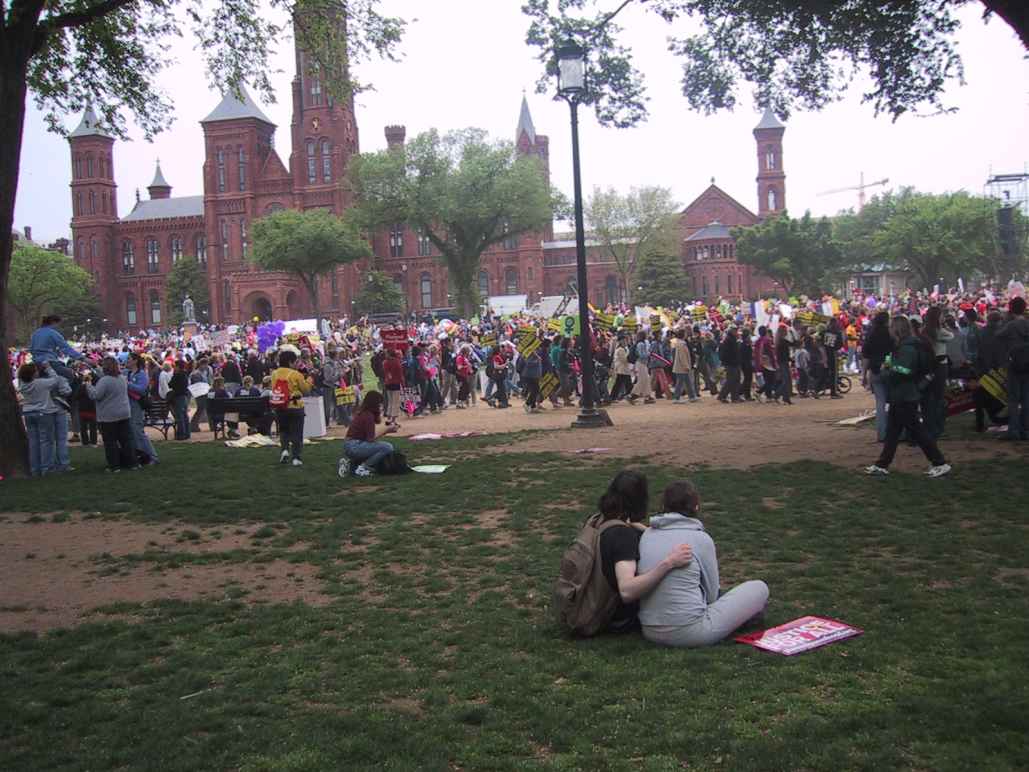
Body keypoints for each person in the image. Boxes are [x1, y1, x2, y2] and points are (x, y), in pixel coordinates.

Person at [638, 480, 769, 648]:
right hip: (690, 633)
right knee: (759, 587)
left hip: (649, 629)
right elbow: (712, 595)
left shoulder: (647, 535)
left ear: (664, 505)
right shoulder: (700, 539)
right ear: (696, 507)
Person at [594, 471, 694, 634]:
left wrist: (643, 529)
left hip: (594, 605)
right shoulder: (622, 536)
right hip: (616, 620)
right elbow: (627, 591)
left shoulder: (598, 521)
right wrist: (669, 563)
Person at [866, 315, 951, 478]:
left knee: (916, 432)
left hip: (905, 395)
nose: (889, 330)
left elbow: (905, 371)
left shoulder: (907, 348)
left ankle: (940, 462)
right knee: (893, 433)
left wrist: (887, 370)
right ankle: (882, 464)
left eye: (892, 327)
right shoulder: (905, 346)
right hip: (902, 395)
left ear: (897, 330)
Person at [86, 356, 139, 472]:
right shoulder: (122, 378)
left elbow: (96, 396)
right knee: (126, 440)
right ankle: (132, 463)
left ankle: (114, 466)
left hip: (109, 415)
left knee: (110, 442)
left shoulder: (105, 381)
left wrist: (88, 385)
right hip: (124, 412)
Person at [17, 362, 69, 476]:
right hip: (43, 412)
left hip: (28, 412)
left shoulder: (23, 385)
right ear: (33, 374)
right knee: (46, 441)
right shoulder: (40, 383)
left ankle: (35, 468)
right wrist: (48, 368)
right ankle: (47, 467)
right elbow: (56, 380)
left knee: (33, 442)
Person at [338, 390, 399, 478]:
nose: (381, 407)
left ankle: (350, 464)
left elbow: (369, 438)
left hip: (351, 445)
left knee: (378, 447)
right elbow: (371, 438)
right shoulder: (368, 415)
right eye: (380, 404)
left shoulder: (364, 413)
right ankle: (363, 468)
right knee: (387, 447)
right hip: (354, 446)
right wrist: (387, 430)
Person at [269, 350, 312, 466]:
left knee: (284, 431)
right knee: (297, 433)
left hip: (280, 406)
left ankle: (284, 450)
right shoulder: (295, 374)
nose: (296, 364)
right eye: (294, 362)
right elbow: (306, 390)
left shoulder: (274, 374)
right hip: (295, 406)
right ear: (290, 362)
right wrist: (309, 379)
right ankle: (296, 458)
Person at [997, 296, 1029, 441]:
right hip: (1027, 364)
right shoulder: (1027, 324)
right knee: (1027, 398)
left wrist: (1005, 320)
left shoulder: (1011, 325)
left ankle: (1014, 430)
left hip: (1014, 364)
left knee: (1013, 400)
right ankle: (1026, 429)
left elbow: (998, 335)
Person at [920, 306, 953, 441]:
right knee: (939, 397)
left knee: (927, 398)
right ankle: (938, 427)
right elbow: (952, 335)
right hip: (940, 366)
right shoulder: (940, 331)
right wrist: (944, 325)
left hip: (928, 366)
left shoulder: (924, 331)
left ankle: (928, 426)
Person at [861, 311, 894, 443]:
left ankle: (882, 434)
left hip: (874, 371)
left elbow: (866, 356)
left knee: (880, 403)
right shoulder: (891, 335)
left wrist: (863, 375)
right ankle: (896, 432)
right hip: (890, 369)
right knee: (894, 402)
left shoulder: (871, 335)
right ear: (887, 320)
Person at [126, 353, 160, 463]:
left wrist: (127, 384)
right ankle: (141, 456)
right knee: (133, 433)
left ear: (135, 361)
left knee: (139, 432)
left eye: (129, 359)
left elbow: (141, 389)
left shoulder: (141, 374)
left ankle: (153, 457)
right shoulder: (128, 373)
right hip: (128, 406)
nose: (127, 361)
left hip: (137, 406)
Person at [671, 329, 698, 403]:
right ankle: (676, 398)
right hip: (682, 367)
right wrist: (686, 366)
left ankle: (692, 396)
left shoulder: (679, 343)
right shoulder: (681, 344)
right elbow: (682, 357)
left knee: (687, 382)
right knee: (680, 383)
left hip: (681, 366)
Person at [717, 327, 742, 403]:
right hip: (731, 364)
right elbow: (727, 354)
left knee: (736, 380)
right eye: (736, 332)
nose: (737, 333)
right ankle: (722, 396)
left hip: (735, 363)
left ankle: (735, 397)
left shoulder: (732, 340)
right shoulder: (729, 341)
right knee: (731, 381)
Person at [753, 326, 777, 402]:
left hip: (761, 363)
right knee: (771, 380)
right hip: (768, 362)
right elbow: (770, 353)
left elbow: (755, 353)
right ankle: (763, 394)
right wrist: (774, 363)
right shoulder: (767, 340)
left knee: (767, 380)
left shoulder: (758, 341)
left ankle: (765, 395)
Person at [382, 347, 406, 426]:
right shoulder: (397, 362)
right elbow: (400, 374)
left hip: (388, 383)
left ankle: (388, 418)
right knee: (395, 402)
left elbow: (386, 373)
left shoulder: (385, 362)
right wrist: (403, 384)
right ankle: (393, 420)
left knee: (390, 401)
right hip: (395, 383)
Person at [169, 359, 191, 440]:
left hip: (178, 396)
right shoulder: (185, 374)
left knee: (180, 416)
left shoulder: (178, 375)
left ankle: (181, 434)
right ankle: (187, 433)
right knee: (184, 415)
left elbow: (170, 384)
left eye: (175, 366)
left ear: (178, 367)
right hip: (184, 396)